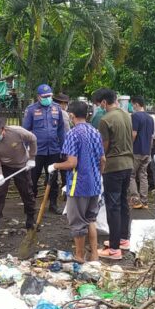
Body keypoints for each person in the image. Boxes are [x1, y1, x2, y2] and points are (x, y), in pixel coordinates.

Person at [48, 101, 105, 263]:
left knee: (78, 224)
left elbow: (72, 163)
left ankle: (79, 256)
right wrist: (98, 175)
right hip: (95, 184)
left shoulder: (73, 134)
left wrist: (55, 165)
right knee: (90, 220)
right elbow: (103, 159)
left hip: (78, 185)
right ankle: (94, 255)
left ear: (71, 115)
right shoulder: (95, 132)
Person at [94, 88, 134, 260]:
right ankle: (123, 239)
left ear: (104, 102)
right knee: (123, 203)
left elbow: (104, 146)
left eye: (98, 104)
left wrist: (99, 164)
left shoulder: (105, 119)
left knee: (113, 206)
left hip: (114, 166)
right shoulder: (126, 114)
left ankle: (114, 249)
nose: (98, 107)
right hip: (128, 164)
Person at [0, 115, 37, 239]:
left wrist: (32, 158)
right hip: (4, 166)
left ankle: (30, 218)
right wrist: (0, 173)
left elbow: (33, 139)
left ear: (3, 129)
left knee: (27, 192)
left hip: (22, 165)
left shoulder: (17, 132)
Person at [22, 84, 65, 214]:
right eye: (45, 96)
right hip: (37, 151)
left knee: (52, 178)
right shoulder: (31, 110)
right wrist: (25, 150)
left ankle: (53, 204)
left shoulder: (57, 109)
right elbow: (25, 131)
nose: (47, 98)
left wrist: (63, 149)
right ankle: (31, 205)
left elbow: (61, 130)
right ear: (38, 97)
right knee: (32, 179)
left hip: (53, 150)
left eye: (49, 96)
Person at [129, 96, 154, 209]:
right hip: (146, 151)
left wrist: (129, 145)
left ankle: (135, 199)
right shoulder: (150, 118)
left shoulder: (135, 116)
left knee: (131, 175)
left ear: (137, 104)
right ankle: (144, 200)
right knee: (143, 175)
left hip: (136, 150)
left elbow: (134, 133)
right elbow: (151, 136)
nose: (132, 107)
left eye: (133, 104)